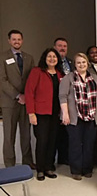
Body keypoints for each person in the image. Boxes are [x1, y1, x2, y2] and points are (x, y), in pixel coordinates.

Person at [59, 53, 97, 180]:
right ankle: (76, 170)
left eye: (84, 62)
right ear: (75, 64)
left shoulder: (94, 78)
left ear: (87, 63)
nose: (81, 65)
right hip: (75, 117)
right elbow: (62, 97)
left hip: (91, 116)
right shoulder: (68, 78)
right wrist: (65, 114)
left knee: (89, 144)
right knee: (75, 144)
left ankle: (87, 169)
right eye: (79, 62)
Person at [25, 48, 63, 180]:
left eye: (54, 57)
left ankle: (49, 167)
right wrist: (31, 113)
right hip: (41, 113)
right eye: (49, 56)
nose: (52, 59)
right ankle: (40, 169)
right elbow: (29, 92)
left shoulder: (59, 74)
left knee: (52, 141)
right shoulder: (37, 72)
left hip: (55, 113)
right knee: (42, 141)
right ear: (44, 58)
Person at [0, 29, 35, 168]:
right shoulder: (2, 57)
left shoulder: (29, 58)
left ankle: (27, 162)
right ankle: (9, 164)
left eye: (19, 39)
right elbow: (2, 80)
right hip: (9, 102)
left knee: (26, 134)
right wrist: (17, 95)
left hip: (26, 102)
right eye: (14, 39)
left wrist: (27, 96)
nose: (17, 42)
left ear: (22, 41)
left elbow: (32, 80)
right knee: (9, 135)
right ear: (9, 41)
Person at [53, 37, 73, 165]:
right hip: (55, 101)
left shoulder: (71, 62)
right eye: (59, 46)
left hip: (70, 101)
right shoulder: (52, 62)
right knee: (56, 133)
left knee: (67, 132)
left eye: (64, 46)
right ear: (55, 47)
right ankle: (54, 160)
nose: (62, 48)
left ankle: (64, 158)